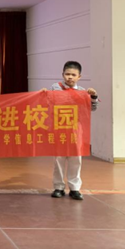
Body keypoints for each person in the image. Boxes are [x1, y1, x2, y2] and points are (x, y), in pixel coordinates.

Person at [43, 61, 98, 201]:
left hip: (76, 130)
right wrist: (44, 95)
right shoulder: (55, 88)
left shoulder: (83, 91)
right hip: (59, 129)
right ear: (63, 74)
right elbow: (47, 104)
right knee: (59, 159)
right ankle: (58, 187)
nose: (70, 77)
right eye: (67, 74)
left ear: (79, 76)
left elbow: (92, 108)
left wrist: (93, 97)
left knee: (76, 159)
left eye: (73, 75)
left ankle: (75, 188)